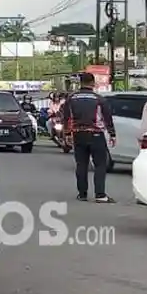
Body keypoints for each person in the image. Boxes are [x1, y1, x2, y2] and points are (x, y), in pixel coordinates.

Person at [61, 72, 116, 203]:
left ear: (80, 83)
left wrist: (67, 134)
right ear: (93, 83)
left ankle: (82, 194)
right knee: (100, 165)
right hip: (96, 134)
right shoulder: (99, 99)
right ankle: (100, 195)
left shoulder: (71, 98)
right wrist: (112, 134)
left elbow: (66, 118)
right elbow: (107, 117)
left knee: (81, 164)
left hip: (78, 134)